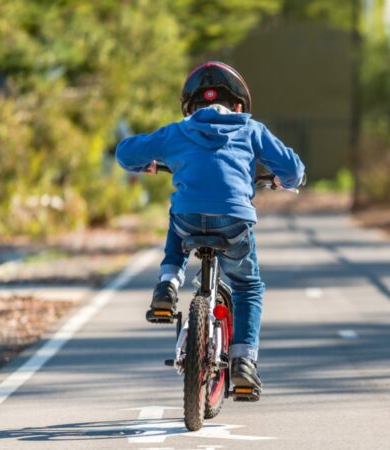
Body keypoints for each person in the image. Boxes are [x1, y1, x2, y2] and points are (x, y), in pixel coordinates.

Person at [115, 61, 305, 399]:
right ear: (238, 106)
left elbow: (125, 152)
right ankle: (244, 362)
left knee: (180, 212)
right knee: (248, 286)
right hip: (234, 222)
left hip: (188, 220)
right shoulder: (250, 129)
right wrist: (283, 180)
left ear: (191, 107)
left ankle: (167, 283)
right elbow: (292, 168)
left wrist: (147, 162)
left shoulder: (178, 131)